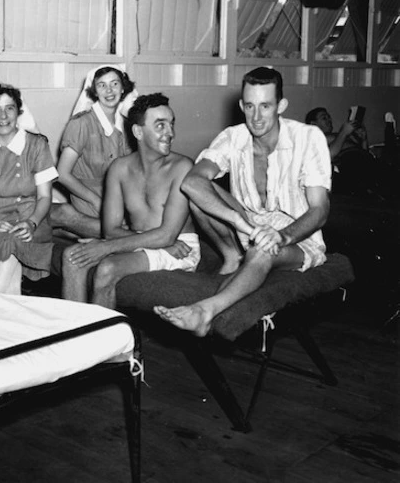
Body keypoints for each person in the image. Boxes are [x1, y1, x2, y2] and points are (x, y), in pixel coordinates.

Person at [154, 67, 331, 337]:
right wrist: (240, 222)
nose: (256, 117)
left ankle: (205, 312)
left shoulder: (308, 137)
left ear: (281, 105)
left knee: (263, 250)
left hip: (297, 237)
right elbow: (192, 182)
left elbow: (320, 211)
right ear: (241, 105)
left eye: (265, 106)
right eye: (249, 106)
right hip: (248, 226)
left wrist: (282, 237)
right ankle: (232, 256)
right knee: (201, 192)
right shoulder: (232, 137)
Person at [62, 93, 199, 308]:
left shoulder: (182, 168)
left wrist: (106, 248)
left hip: (181, 248)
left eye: (171, 124)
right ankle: (76, 333)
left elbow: (168, 234)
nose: (170, 133)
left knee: (108, 267)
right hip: (144, 240)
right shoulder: (119, 168)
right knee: (72, 256)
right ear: (138, 132)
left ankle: (106, 340)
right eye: (160, 126)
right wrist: (112, 243)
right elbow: (110, 230)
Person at [0, 83, 58, 294]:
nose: (3, 116)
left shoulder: (37, 145)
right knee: (6, 244)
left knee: (13, 241)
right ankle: (2, 315)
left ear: (19, 111)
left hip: (33, 221)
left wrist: (31, 223)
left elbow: (44, 196)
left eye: (10, 108)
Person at [50, 65, 137, 239]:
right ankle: (70, 228)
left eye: (114, 84)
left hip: (118, 198)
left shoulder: (128, 126)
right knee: (124, 236)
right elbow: (62, 174)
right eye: (102, 85)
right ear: (94, 91)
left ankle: (70, 232)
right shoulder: (81, 124)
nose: (109, 90)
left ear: (123, 88)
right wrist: (96, 201)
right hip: (89, 199)